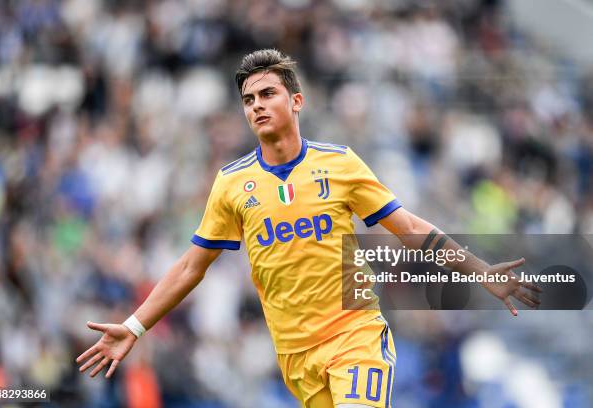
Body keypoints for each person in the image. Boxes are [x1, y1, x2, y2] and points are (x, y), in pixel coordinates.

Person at [76, 49, 541, 407]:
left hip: (355, 335)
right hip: (296, 357)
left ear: (296, 100)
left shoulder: (338, 164)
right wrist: (136, 326)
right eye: (248, 100)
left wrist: (481, 271)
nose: (257, 106)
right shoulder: (233, 184)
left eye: (267, 94)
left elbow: (410, 227)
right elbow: (191, 267)